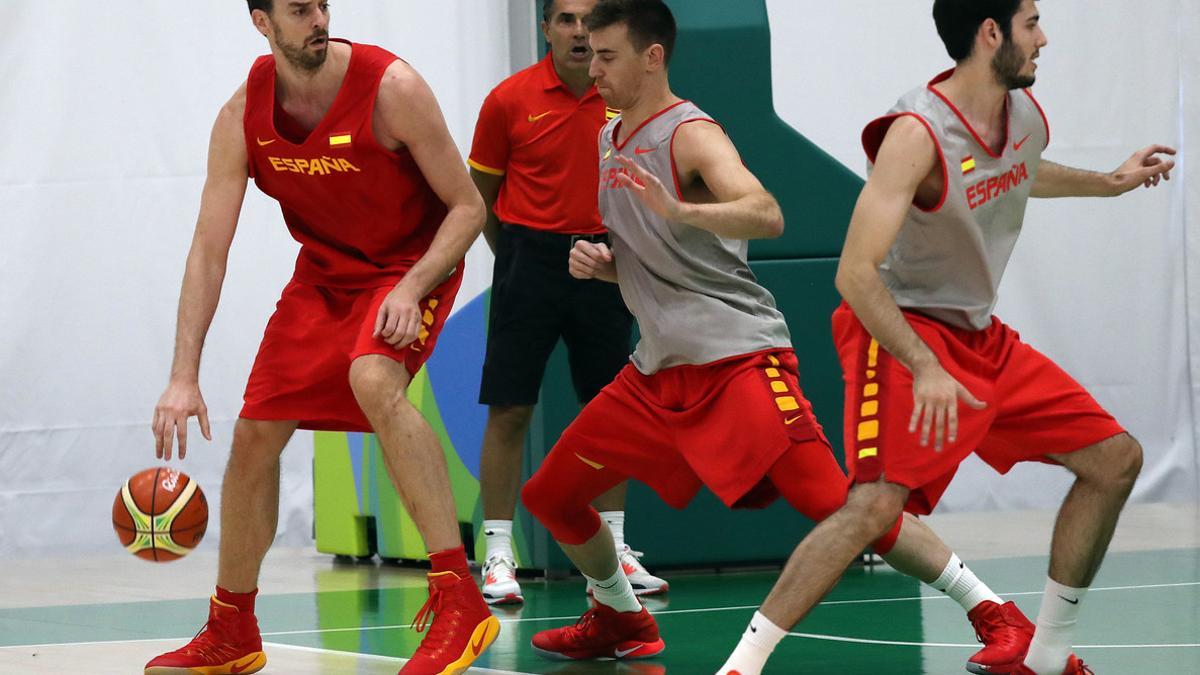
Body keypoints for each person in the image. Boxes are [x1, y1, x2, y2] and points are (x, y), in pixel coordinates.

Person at [521, 1, 1034, 670]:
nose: (594, 67)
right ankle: (620, 613)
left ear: (653, 58)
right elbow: (667, 256)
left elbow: (766, 212)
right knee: (551, 496)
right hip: (658, 372)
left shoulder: (690, 134)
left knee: (840, 504)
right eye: (588, 52)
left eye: (609, 55)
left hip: (739, 360)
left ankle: (995, 612)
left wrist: (680, 206)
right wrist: (610, 264)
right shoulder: (609, 137)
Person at [718, 1, 1176, 674]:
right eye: (1031, 24)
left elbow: (1020, 171)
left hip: (979, 337)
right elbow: (853, 274)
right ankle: (742, 665)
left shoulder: (1023, 116)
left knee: (1115, 459)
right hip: (898, 327)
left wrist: (1110, 183)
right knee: (874, 504)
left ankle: (1044, 656)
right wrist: (923, 363)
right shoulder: (917, 133)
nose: (1043, 38)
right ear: (990, 33)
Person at [144, 2, 502, 673]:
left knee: (373, 376)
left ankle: (460, 600)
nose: (317, 18)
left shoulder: (393, 90)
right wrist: (183, 373)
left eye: (322, 5)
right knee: (255, 429)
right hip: (325, 276)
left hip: (408, 266)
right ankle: (232, 627)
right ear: (261, 22)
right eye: (299, 8)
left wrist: (411, 285)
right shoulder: (241, 117)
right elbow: (208, 249)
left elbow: (467, 206)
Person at [467, 0, 665, 606]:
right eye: (567, 20)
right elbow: (480, 199)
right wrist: (520, 256)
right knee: (510, 410)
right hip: (528, 259)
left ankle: (615, 551)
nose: (579, 32)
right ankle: (498, 555)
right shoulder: (508, 100)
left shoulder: (626, 99)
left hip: (606, 260)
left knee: (611, 412)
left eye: (589, 21)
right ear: (547, 27)